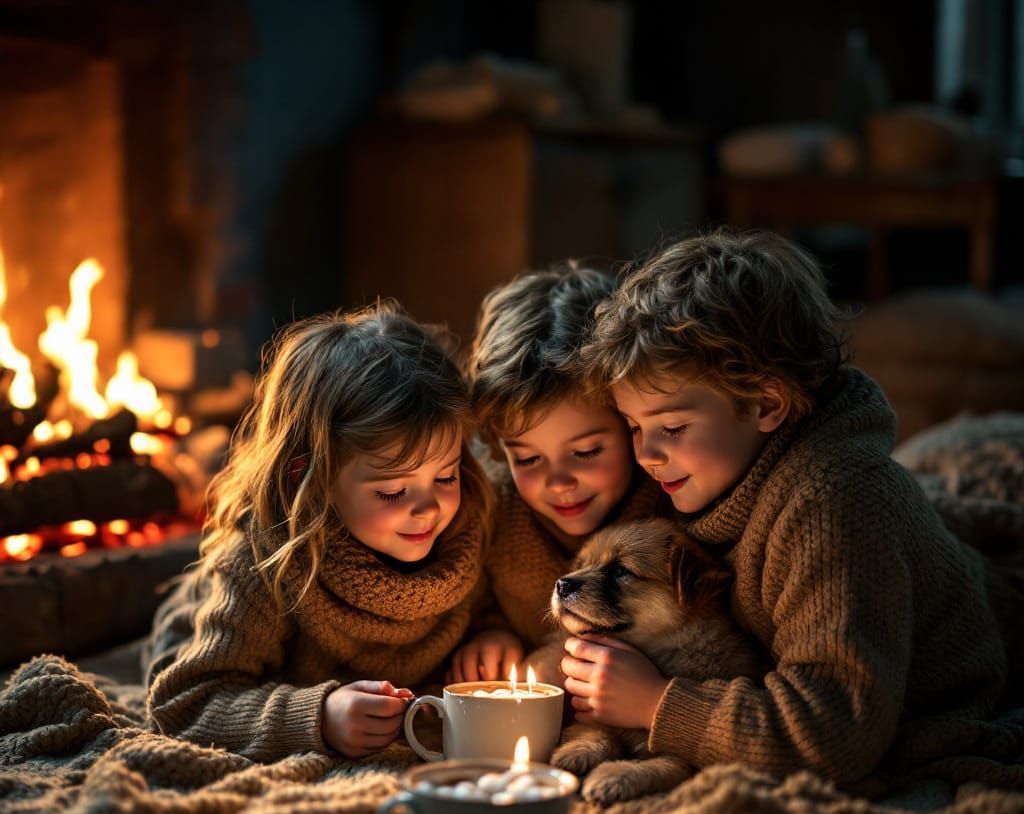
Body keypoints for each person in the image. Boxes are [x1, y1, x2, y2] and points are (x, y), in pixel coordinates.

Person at [566, 227, 1018, 785]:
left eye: (672, 427)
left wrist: (658, 705)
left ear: (766, 404)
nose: (647, 454)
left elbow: (831, 732)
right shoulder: (711, 467)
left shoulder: (831, 505)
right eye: (634, 427)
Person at [144, 303, 491, 761]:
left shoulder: (468, 527)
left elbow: (494, 605)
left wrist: (494, 635)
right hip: (207, 625)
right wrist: (318, 717)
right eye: (391, 491)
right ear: (310, 479)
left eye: (445, 477)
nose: (428, 507)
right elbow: (183, 704)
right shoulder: (262, 567)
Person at [448, 262, 669, 683]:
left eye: (586, 451)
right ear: (500, 452)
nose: (559, 482)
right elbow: (472, 599)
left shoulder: (668, 499)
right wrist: (490, 630)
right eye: (528, 459)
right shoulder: (493, 509)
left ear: (630, 425)